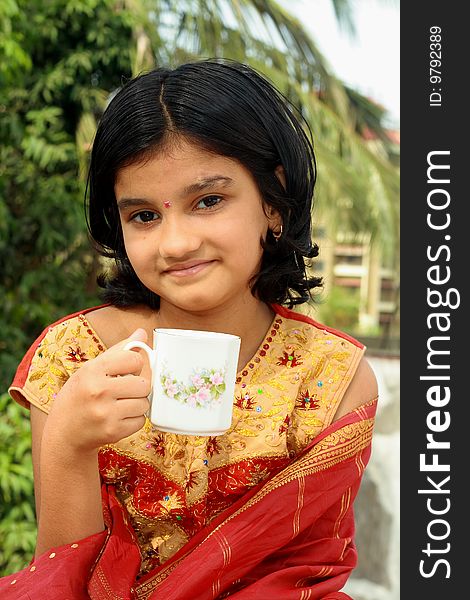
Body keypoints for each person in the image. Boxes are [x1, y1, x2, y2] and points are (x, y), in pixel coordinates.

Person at [1, 58, 378, 599]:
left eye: (208, 201)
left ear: (273, 201)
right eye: (144, 216)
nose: (175, 244)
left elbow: (307, 580)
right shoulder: (74, 357)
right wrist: (67, 442)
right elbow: (56, 581)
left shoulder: (331, 376)